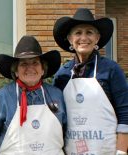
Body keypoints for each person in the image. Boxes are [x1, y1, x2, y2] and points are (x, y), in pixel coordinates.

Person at [53, 8, 128, 155]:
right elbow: (57, 116)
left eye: (89, 32)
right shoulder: (62, 74)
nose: (83, 38)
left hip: (107, 150)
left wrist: (121, 151)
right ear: (70, 39)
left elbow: (125, 113)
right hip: (72, 150)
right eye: (78, 32)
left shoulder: (111, 70)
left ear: (97, 38)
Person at [0, 35, 66, 155]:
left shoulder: (57, 95)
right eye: (24, 64)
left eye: (35, 63)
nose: (30, 68)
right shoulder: (1, 98)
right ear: (16, 71)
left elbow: (65, 134)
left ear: (43, 69)